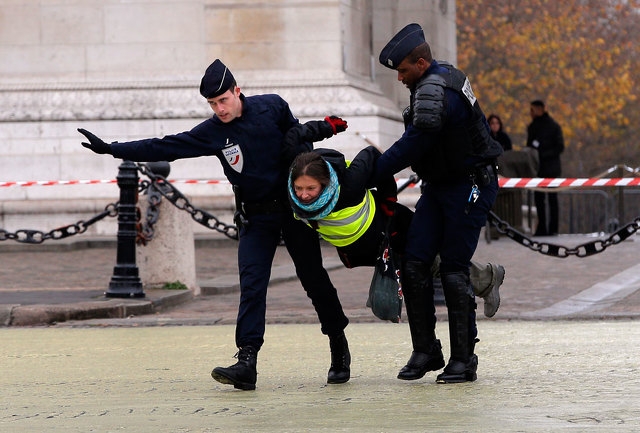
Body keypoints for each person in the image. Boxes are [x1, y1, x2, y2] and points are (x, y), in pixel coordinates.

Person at [77, 59, 352, 390]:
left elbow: (301, 146)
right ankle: (246, 361)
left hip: (293, 212)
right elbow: (166, 145)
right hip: (255, 216)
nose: (219, 108)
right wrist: (112, 149)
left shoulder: (272, 106)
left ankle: (338, 344)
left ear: (237, 92)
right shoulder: (213, 133)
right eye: (212, 103)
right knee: (251, 286)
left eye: (223, 100)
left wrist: (303, 179)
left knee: (314, 279)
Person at [374, 23, 503, 384]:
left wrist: (372, 172)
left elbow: (414, 142)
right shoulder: (429, 83)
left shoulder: (437, 88)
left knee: (452, 269)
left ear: (421, 61)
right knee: (414, 262)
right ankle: (426, 350)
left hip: (469, 185)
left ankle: (464, 359)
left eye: (402, 70)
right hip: (441, 185)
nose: (399, 78)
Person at [285, 147, 505, 318]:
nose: (303, 195)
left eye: (310, 188)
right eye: (299, 188)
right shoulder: (296, 204)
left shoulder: (349, 184)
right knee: (428, 264)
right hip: (368, 246)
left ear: (324, 184)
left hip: (392, 224)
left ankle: (486, 279)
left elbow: (372, 154)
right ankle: (487, 278)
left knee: (427, 263)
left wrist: (388, 198)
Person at [527, 100, 564, 236]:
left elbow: (560, 147)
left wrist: (542, 154)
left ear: (540, 109)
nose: (530, 113)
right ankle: (544, 228)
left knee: (549, 198)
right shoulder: (533, 127)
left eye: (532, 110)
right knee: (542, 199)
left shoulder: (553, 126)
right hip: (540, 168)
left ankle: (550, 228)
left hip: (548, 168)